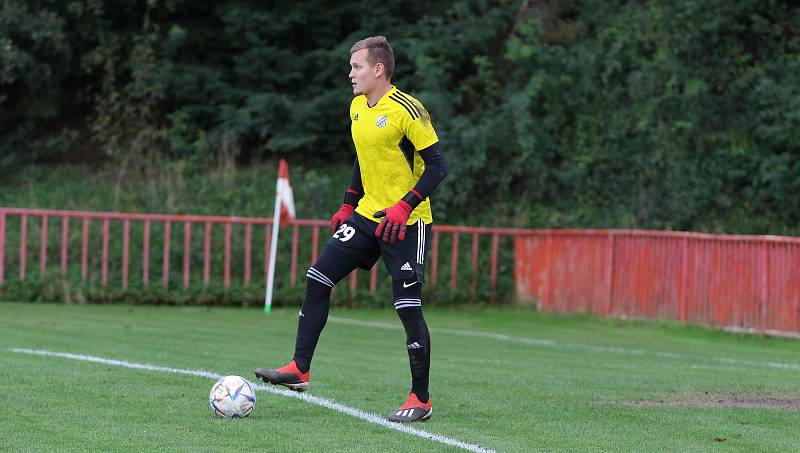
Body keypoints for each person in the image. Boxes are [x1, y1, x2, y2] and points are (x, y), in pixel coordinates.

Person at [255, 35, 448, 423]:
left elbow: (439, 166)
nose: (351, 74)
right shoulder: (358, 106)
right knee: (318, 277)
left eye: (357, 67)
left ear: (379, 69)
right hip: (366, 217)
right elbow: (364, 158)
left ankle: (421, 399)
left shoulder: (408, 109)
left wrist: (404, 205)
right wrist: (348, 201)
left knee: (407, 309)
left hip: (407, 223)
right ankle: (299, 369)